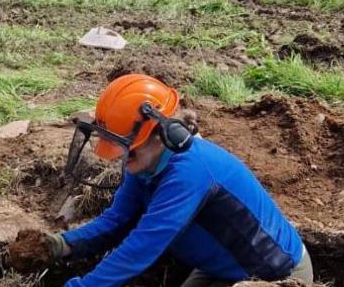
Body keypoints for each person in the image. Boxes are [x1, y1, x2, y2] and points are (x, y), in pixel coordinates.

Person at [37, 73, 313, 286]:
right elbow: (117, 220)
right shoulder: (144, 163)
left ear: (160, 135)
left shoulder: (190, 173)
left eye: (126, 150)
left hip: (275, 275)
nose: (121, 158)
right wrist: (62, 244)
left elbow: (142, 247)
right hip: (220, 268)